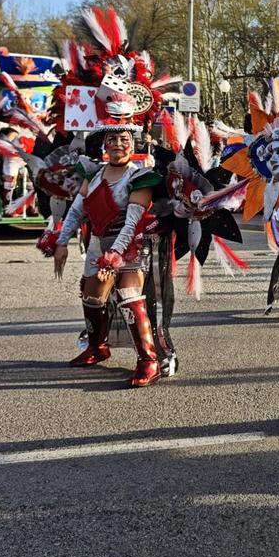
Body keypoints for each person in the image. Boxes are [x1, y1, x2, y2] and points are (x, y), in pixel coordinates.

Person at [50, 121, 164, 388]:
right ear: (104, 145)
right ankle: (97, 347)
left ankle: (149, 361)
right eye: (112, 140)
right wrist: (61, 242)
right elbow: (77, 211)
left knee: (129, 296)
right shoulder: (94, 174)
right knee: (92, 297)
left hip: (129, 247)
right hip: (97, 243)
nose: (117, 145)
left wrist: (113, 256)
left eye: (123, 139)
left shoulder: (139, 177)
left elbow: (132, 223)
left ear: (132, 144)